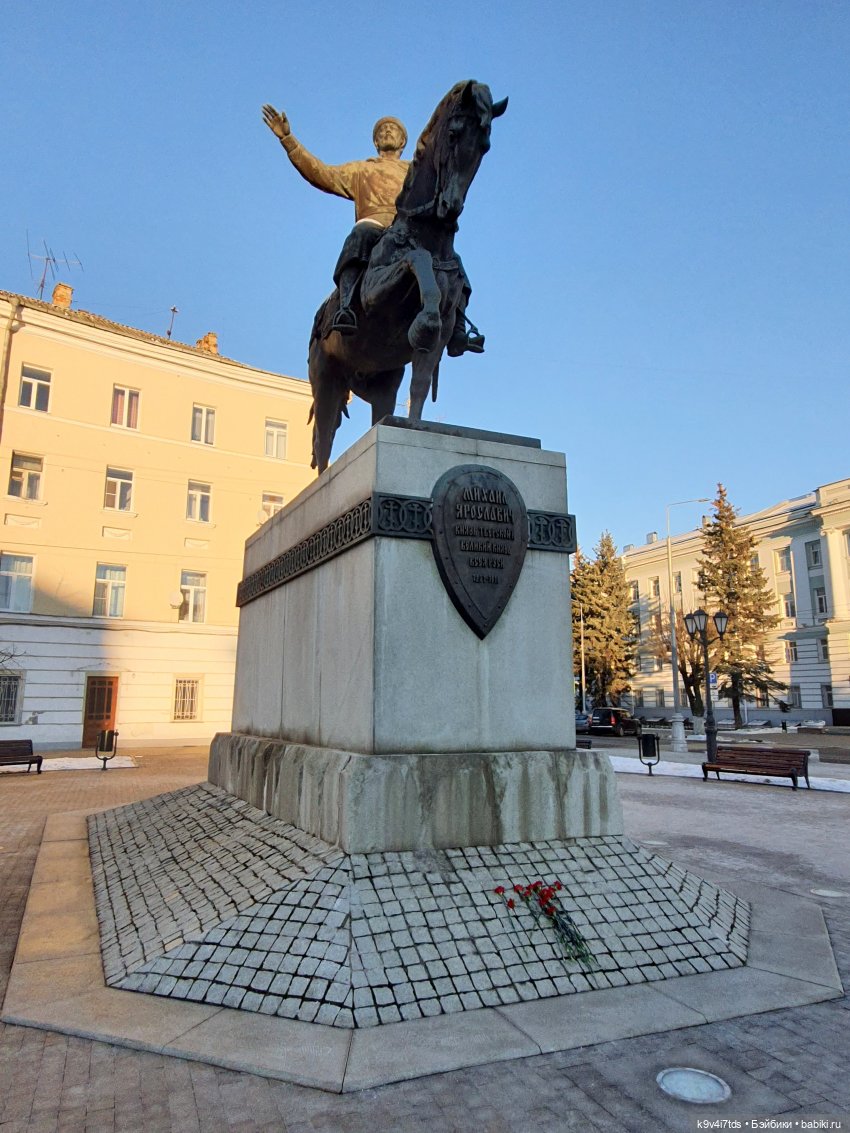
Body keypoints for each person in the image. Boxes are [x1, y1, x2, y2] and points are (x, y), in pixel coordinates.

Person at [262, 104, 483, 354]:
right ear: (376, 142)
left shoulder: (415, 171)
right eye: (382, 130)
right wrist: (288, 140)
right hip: (374, 224)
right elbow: (320, 172)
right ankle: (346, 306)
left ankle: (458, 329)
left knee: (454, 262)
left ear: (403, 142)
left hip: (409, 232)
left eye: (393, 130)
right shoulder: (362, 169)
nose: (387, 131)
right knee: (360, 234)